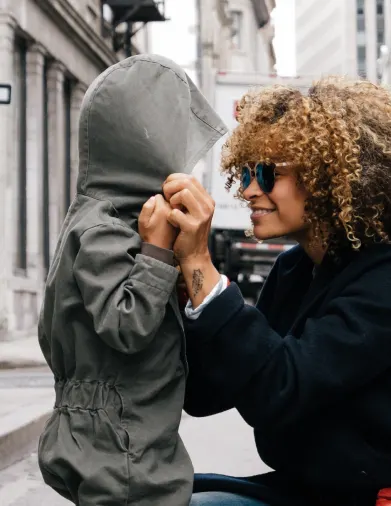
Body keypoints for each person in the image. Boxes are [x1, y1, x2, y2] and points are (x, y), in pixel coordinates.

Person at [163, 77, 391, 506]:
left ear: (329, 177)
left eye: (268, 173)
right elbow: (209, 392)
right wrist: (187, 296)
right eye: (247, 172)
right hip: (330, 490)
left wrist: (203, 269)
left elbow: (281, 388)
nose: (249, 189)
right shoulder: (296, 269)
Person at [37, 55, 226, 505]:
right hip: (121, 446)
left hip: (119, 434)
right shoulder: (105, 226)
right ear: (144, 143)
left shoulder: (110, 216)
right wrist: (158, 251)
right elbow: (128, 324)